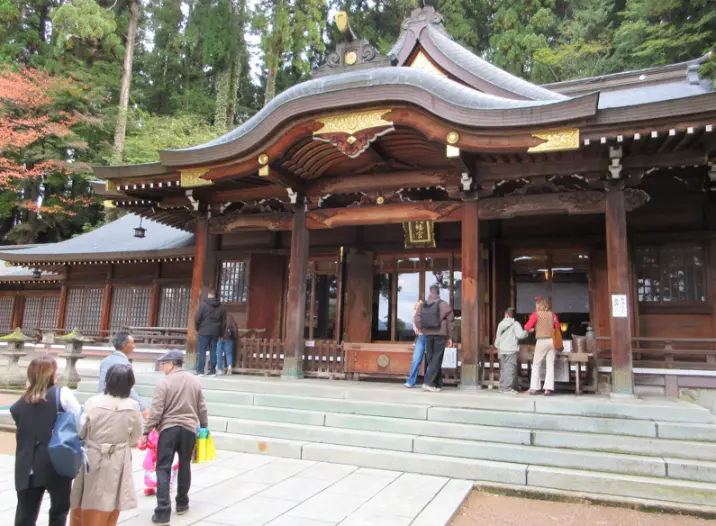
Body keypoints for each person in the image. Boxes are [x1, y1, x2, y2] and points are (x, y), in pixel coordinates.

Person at [11, 356, 83, 526]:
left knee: (25, 514)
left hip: (27, 464)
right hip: (56, 460)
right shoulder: (61, 394)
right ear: (51, 375)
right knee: (58, 511)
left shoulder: (18, 405)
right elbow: (80, 421)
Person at [70, 364, 144, 526]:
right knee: (112, 499)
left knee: (86, 496)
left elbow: (81, 430)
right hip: (118, 457)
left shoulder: (93, 402)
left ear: (108, 381)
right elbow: (136, 436)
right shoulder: (132, 406)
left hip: (92, 455)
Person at [142, 350, 208, 525]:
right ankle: (182, 503)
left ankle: (163, 510)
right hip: (188, 429)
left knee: (163, 467)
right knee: (185, 464)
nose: (163, 367)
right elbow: (202, 407)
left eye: (164, 364)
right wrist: (204, 427)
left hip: (169, 429)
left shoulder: (164, 384)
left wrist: (146, 431)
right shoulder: (195, 382)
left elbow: (156, 411)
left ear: (171, 363)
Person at [413, 284, 455, 393]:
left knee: (432, 358)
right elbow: (451, 322)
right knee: (437, 358)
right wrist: (450, 337)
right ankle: (429, 383)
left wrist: (422, 330)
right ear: (438, 293)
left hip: (427, 335)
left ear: (429, 292)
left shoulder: (422, 306)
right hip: (440, 335)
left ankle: (437, 384)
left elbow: (416, 319)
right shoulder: (444, 305)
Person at [98, 329, 148, 417]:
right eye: (132, 343)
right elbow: (129, 389)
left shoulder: (105, 361)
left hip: (103, 403)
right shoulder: (125, 364)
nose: (134, 346)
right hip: (119, 406)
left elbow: (101, 385)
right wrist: (142, 407)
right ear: (124, 345)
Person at [524, 297, 561, 396]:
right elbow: (558, 326)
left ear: (538, 306)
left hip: (541, 341)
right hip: (551, 341)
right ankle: (548, 389)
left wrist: (533, 328)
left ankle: (534, 388)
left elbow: (527, 326)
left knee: (536, 364)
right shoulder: (552, 314)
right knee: (550, 365)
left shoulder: (536, 315)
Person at [494, 307, 528, 394]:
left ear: (506, 315)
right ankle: (507, 388)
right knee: (510, 369)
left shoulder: (501, 324)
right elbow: (520, 335)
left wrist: (498, 348)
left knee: (503, 369)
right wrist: (527, 331)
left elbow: (498, 338)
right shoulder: (515, 324)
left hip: (502, 350)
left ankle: (502, 387)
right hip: (511, 350)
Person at [194, 290, 227, 376]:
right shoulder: (221, 307)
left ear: (209, 295)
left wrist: (198, 328)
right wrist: (221, 334)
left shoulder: (203, 306)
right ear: (215, 296)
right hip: (215, 332)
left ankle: (200, 370)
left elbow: (197, 318)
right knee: (213, 351)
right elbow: (224, 323)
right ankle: (212, 371)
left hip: (203, 330)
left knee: (202, 351)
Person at [405, 299, 427, 388]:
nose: (418, 307)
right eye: (417, 306)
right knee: (416, 359)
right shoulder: (414, 316)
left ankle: (429, 382)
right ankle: (411, 381)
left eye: (420, 305)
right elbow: (417, 330)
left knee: (430, 360)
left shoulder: (427, 314)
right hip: (421, 337)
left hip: (429, 337)